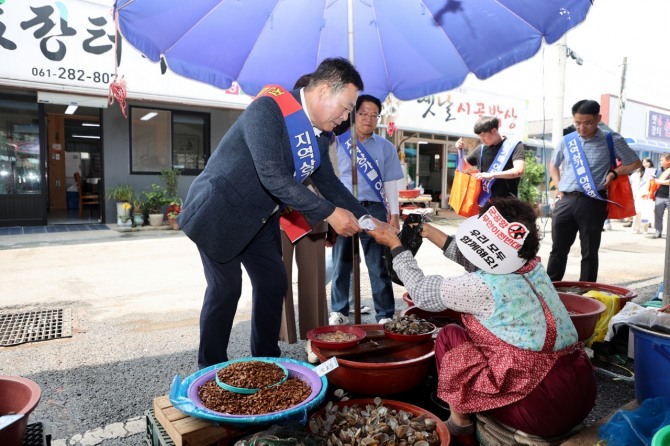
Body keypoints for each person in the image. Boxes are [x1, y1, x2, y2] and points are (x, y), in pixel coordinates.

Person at [178, 58, 385, 369]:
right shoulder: (268, 109)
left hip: (259, 217)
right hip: (218, 210)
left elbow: (328, 183)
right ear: (325, 89)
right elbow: (272, 176)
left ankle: (264, 360)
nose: (346, 118)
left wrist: (367, 220)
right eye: (345, 108)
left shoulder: (319, 134)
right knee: (226, 288)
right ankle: (210, 368)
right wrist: (330, 214)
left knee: (274, 282)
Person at [367, 197, 596, 445]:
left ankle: (461, 424)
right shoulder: (532, 267)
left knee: (450, 336)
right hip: (581, 392)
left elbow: (422, 292)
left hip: (540, 410)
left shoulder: (484, 286)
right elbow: (478, 259)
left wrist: (395, 246)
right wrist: (426, 230)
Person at [329, 94, 404, 325]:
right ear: (354, 114)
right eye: (363, 113)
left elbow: (391, 183)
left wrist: (394, 215)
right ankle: (340, 310)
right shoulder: (336, 142)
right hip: (344, 209)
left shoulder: (386, 147)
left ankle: (385, 313)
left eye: (374, 115)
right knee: (341, 263)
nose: (369, 119)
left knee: (378, 264)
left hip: (375, 211)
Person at [547, 99, 641, 282]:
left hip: (593, 201)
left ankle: (587, 292)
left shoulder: (611, 139)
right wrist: (558, 187)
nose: (582, 128)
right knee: (558, 250)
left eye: (588, 123)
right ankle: (551, 289)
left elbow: (635, 162)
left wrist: (614, 172)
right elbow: (553, 165)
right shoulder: (568, 141)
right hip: (566, 200)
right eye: (577, 123)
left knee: (589, 251)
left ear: (598, 118)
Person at [277, 74, 328, 357]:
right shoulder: (278, 125)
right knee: (277, 278)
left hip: (313, 213)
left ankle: (315, 340)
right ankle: (277, 338)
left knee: (314, 279)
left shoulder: (326, 133)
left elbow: (328, 179)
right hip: (280, 214)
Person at [456, 115, 525, 203]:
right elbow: (463, 167)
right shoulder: (480, 149)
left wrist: (492, 174)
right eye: (480, 136)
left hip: (508, 204)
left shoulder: (514, 146)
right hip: (485, 203)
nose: (482, 139)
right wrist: (459, 150)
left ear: (494, 130)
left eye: (483, 135)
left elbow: (519, 171)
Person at [630, 157, 654, 233]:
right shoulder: (637, 173)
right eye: (644, 162)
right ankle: (636, 228)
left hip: (647, 195)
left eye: (647, 162)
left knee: (645, 212)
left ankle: (644, 228)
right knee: (637, 212)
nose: (645, 164)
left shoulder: (652, 172)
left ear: (650, 163)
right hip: (638, 195)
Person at [652, 153, 670, 239]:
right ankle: (658, 232)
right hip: (660, 195)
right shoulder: (658, 170)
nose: (660, 162)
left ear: (668, 160)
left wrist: (660, 181)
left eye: (662, 160)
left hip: (668, 196)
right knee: (658, 215)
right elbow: (654, 180)